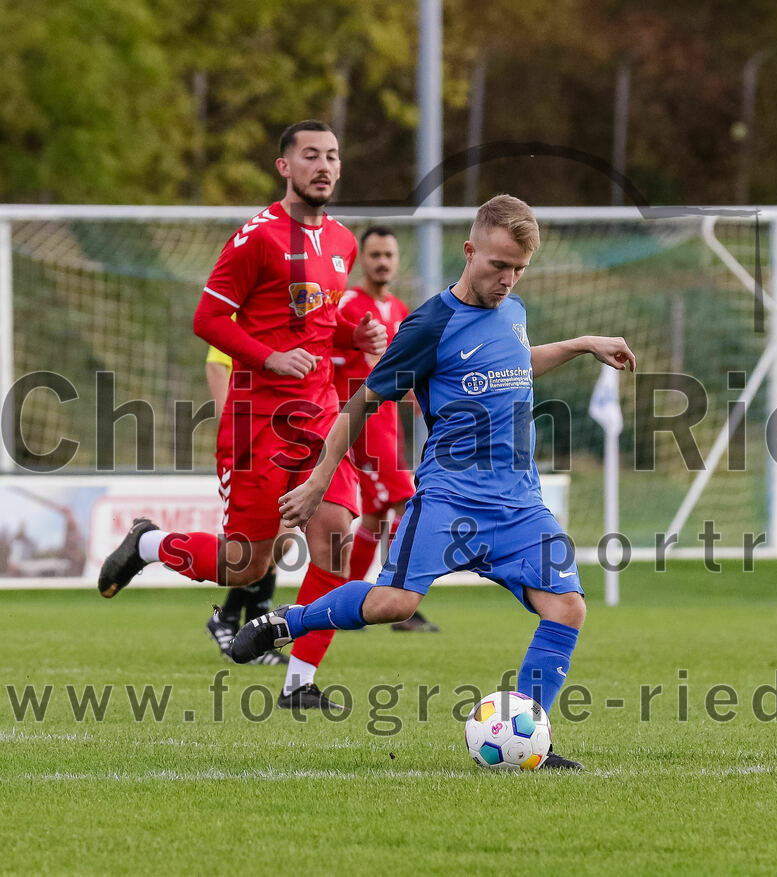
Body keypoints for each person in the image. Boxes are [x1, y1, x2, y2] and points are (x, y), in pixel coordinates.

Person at [230, 195, 637, 769]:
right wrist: (321, 480)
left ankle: (529, 744)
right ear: (470, 251)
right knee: (395, 603)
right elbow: (362, 402)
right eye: (498, 265)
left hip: (520, 504)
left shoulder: (514, 311)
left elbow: (516, 363)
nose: (507, 279)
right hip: (451, 497)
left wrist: (579, 345)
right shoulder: (429, 325)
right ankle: (283, 623)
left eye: (519, 269)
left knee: (567, 608)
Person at [98, 120, 387, 710]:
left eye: (332, 156)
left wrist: (357, 336)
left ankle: (298, 686)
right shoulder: (254, 239)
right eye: (310, 156)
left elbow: (321, 329)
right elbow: (207, 321)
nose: (324, 166)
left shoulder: (342, 242)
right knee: (243, 563)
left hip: (321, 418)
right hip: (256, 423)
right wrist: (269, 356)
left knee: (336, 549)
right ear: (284, 166)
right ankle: (148, 544)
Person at [335, 226, 439, 633]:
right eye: (375, 254)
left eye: (388, 256)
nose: (382, 262)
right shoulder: (347, 304)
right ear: (362, 259)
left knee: (377, 515)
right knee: (405, 500)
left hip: (388, 420)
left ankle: (350, 601)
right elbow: (331, 356)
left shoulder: (397, 308)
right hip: (359, 419)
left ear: (396, 261)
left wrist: (414, 394)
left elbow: (403, 363)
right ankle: (397, 602)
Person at [203, 343, 286, 664]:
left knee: (283, 539)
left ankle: (232, 621)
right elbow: (215, 364)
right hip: (249, 442)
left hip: (281, 436)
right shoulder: (244, 311)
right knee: (253, 548)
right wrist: (235, 428)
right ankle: (247, 634)